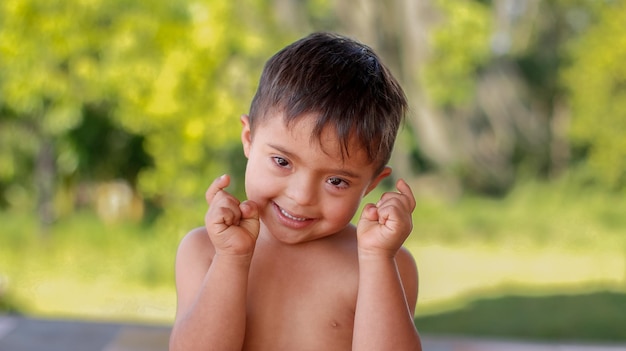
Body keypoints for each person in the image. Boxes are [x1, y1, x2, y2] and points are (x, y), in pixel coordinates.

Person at [169, 32, 421, 351]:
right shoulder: (203, 251)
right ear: (248, 138)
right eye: (281, 161)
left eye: (336, 181)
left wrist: (376, 258)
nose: (302, 196)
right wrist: (231, 259)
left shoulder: (386, 266)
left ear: (371, 184)